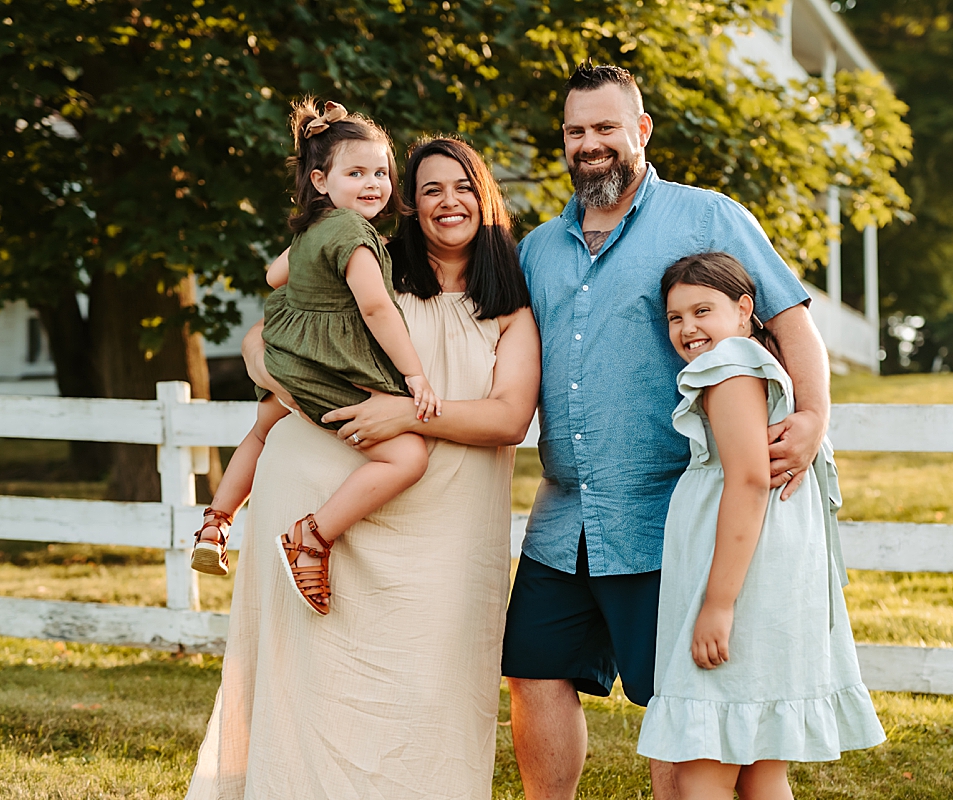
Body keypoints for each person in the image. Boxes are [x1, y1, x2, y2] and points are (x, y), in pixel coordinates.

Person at [503, 63, 832, 800]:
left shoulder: (707, 217)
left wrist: (812, 416)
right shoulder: (538, 250)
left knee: (680, 703)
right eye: (575, 131)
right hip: (564, 516)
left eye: (605, 128)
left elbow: (789, 317)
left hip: (671, 515)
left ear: (641, 131)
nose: (589, 144)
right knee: (533, 671)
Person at [185, 136, 541, 800]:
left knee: (429, 701)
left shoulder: (510, 307)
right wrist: (286, 379)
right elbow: (264, 338)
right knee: (315, 692)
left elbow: (508, 419)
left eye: (462, 186)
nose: (447, 201)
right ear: (410, 204)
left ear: (485, 197)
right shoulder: (374, 271)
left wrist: (405, 415)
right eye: (430, 189)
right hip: (323, 505)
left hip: (447, 537)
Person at [637, 252, 885, 799]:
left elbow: (748, 481)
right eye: (675, 317)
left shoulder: (727, 366)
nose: (687, 328)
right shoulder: (757, 363)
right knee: (760, 768)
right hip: (771, 575)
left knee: (704, 764)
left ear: (745, 308)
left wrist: (718, 604)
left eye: (703, 310)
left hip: (737, 582)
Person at [189, 99, 442, 620]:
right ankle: (313, 536)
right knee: (408, 456)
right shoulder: (353, 235)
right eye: (357, 173)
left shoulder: (313, 227)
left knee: (260, 432)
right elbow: (374, 307)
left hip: (284, 349)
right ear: (322, 180)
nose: (374, 183)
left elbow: (272, 277)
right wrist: (413, 372)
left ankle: (216, 521)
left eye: (381, 172)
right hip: (321, 363)